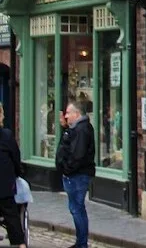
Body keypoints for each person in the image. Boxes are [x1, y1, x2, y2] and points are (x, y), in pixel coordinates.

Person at [56, 101, 95, 248]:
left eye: (68, 113)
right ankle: (81, 242)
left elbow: (77, 155)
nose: (66, 116)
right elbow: (68, 145)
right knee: (77, 209)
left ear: (76, 114)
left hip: (77, 176)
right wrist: (65, 128)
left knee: (76, 209)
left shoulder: (82, 130)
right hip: (76, 174)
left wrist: (67, 170)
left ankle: (82, 243)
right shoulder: (78, 129)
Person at [0, 105, 27, 248]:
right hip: (4, 185)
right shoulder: (6, 135)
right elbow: (16, 158)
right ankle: (20, 244)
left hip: (4, 183)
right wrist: (19, 173)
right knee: (11, 215)